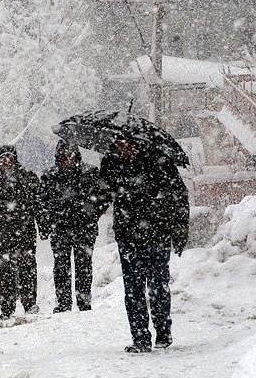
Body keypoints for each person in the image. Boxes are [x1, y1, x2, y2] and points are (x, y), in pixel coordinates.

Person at [99, 139, 189, 353]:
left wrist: (179, 229)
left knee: (158, 286)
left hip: (156, 233)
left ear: (138, 144)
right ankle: (140, 338)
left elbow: (178, 195)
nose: (125, 148)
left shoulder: (159, 161)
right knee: (133, 289)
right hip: (128, 236)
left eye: (128, 144)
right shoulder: (112, 163)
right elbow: (102, 195)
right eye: (120, 144)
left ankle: (163, 333)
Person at [0, 145, 43, 321]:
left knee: (27, 268)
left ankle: (30, 303)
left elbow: (39, 205)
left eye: (10, 157)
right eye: (3, 157)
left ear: (16, 158)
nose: (6, 161)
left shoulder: (28, 178)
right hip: (0, 233)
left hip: (24, 232)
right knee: (4, 272)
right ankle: (7, 307)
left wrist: (43, 226)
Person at [40, 140, 109, 313]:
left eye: (70, 156)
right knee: (61, 266)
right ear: (58, 157)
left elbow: (103, 197)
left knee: (84, 265)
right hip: (60, 228)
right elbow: (42, 202)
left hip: (84, 228)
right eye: (63, 156)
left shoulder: (90, 173)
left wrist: (92, 214)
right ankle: (64, 303)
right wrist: (50, 220)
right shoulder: (49, 177)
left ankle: (84, 301)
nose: (67, 160)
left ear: (76, 156)